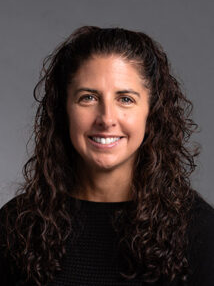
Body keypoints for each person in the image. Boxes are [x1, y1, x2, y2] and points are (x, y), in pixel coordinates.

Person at [0, 26, 214, 286]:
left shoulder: (199, 230)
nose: (107, 119)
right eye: (88, 97)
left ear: (151, 112)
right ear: (63, 109)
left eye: (125, 99)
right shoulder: (16, 226)